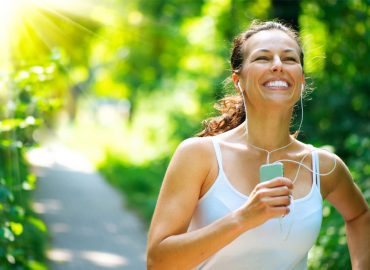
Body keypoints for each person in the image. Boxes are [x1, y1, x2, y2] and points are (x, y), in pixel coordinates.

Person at [146, 20, 369, 270]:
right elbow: (158, 261)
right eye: (263, 58)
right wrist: (244, 217)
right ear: (237, 80)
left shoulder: (324, 167)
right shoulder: (200, 155)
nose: (277, 66)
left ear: (302, 79)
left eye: (289, 59)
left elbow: (361, 216)